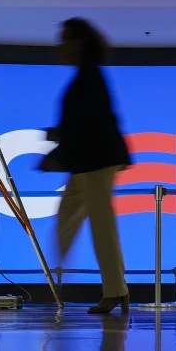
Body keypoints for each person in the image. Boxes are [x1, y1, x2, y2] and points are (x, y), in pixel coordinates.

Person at [43, 18, 131, 314]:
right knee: (75, 219)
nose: (60, 46)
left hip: (96, 161)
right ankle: (62, 280)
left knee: (100, 225)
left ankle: (114, 291)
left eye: (65, 39)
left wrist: (59, 152)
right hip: (90, 162)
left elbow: (88, 125)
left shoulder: (88, 77)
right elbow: (86, 124)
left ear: (80, 44)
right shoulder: (88, 76)